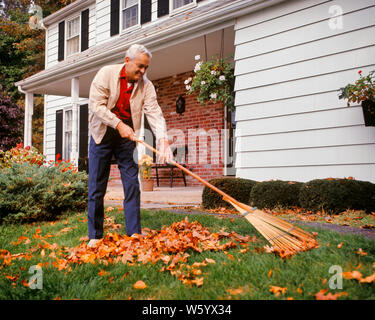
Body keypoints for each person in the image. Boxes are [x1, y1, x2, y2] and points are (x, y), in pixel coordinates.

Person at [87, 44, 173, 247]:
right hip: (102, 134)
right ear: (127, 61)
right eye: (140, 66)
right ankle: (95, 235)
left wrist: (163, 141)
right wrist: (118, 124)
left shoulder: (147, 86)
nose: (143, 72)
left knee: (132, 184)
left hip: (127, 137)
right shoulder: (105, 74)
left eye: (146, 68)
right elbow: (96, 105)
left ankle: (134, 233)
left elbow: (154, 113)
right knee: (96, 187)